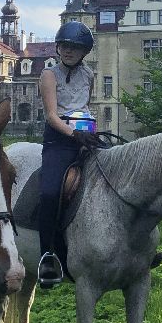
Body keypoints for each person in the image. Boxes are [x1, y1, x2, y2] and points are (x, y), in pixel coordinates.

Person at [36, 20, 105, 289]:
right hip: (59, 140)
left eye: (74, 48)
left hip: (84, 135)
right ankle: (47, 255)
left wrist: (90, 131)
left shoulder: (88, 75)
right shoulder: (49, 75)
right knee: (50, 192)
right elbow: (52, 115)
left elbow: (84, 107)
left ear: (84, 52)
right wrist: (73, 134)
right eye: (64, 46)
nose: (68, 51)